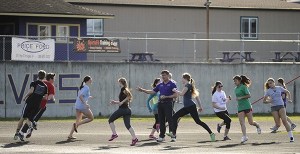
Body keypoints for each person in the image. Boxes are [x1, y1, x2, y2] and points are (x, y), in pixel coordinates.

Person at [166, 73, 215, 142]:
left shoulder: (188, 85)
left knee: (198, 121)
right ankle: (173, 134)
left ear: (185, 78)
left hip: (191, 106)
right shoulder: (189, 85)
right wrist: (200, 106)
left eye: (182, 79)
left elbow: (182, 94)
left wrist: (175, 90)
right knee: (175, 117)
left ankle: (211, 133)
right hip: (187, 107)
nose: (181, 80)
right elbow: (197, 97)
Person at [137, 70, 177, 142]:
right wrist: (143, 90)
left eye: (164, 75)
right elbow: (152, 91)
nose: (163, 77)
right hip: (160, 104)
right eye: (162, 75)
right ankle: (162, 136)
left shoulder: (172, 84)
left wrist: (166, 97)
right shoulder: (160, 85)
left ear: (168, 75)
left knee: (170, 119)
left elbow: (175, 95)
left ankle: (173, 136)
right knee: (161, 120)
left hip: (168, 103)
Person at [14, 70, 48, 141]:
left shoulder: (34, 83)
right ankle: (30, 126)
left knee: (23, 117)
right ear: (44, 77)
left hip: (30, 102)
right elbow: (45, 97)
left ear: (38, 75)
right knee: (29, 119)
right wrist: (38, 96)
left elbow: (31, 91)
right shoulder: (45, 86)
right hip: (37, 104)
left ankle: (17, 132)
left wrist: (25, 97)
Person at [22, 73, 56, 138]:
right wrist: (52, 98)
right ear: (51, 79)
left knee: (30, 118)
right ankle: (23, 132)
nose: (54, 80)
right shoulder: (51, 86)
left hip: (34, 103)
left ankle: (26, 131)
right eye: (53, 78)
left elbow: (34, 91)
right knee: (32, 119)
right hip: (41, 105)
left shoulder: (42, 82)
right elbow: (48, 97)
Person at [108, 77, 138, 146]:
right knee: (128, 125)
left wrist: (122, 102)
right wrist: (115, 102)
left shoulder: (123, 89)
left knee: (110, 120)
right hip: (127, 110)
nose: (118, 84)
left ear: (121, 83)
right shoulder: (125, 89)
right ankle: (134, 138)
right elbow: (123, 100)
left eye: (119, 82)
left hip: (123, 110)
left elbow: (129, 96)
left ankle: (114, 134)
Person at [263, 78, 294, 142]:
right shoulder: (268, 91)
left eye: (271, 83)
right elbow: (264, 101)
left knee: (284, 120)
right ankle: (276, 126)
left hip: (281, 106)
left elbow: (287, 92)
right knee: (278, 124)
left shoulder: (279, 88)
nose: (270, 84)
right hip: (274, 107)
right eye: (269, 83)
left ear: (274, 83)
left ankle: (291, 137)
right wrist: (269, 101)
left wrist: (289, 99)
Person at [233, 75, 261, 143]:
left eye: (235, 81)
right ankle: (244, 136)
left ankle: (257, 125)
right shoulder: (235, 89)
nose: (234, 82)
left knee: (250, 122)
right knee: (242, 123)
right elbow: (237, 98)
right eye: (234, 81)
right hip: (240, 107)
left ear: (239, 81)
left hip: (247, 106)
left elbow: (249, 95)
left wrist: (241, 97)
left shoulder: (244, 87)